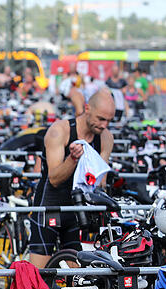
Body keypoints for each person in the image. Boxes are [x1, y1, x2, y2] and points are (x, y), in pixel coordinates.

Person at [28, 90, 115, 270]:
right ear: (87, 108)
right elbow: (54, 179)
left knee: (78, 281)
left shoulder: (106, 137)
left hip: (78, 212)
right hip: (50, 207)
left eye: (108, 121)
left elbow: (100, 182)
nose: (104, 125)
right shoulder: (60, 131)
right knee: (38, 277)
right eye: (100, 119)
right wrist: (73, 159)